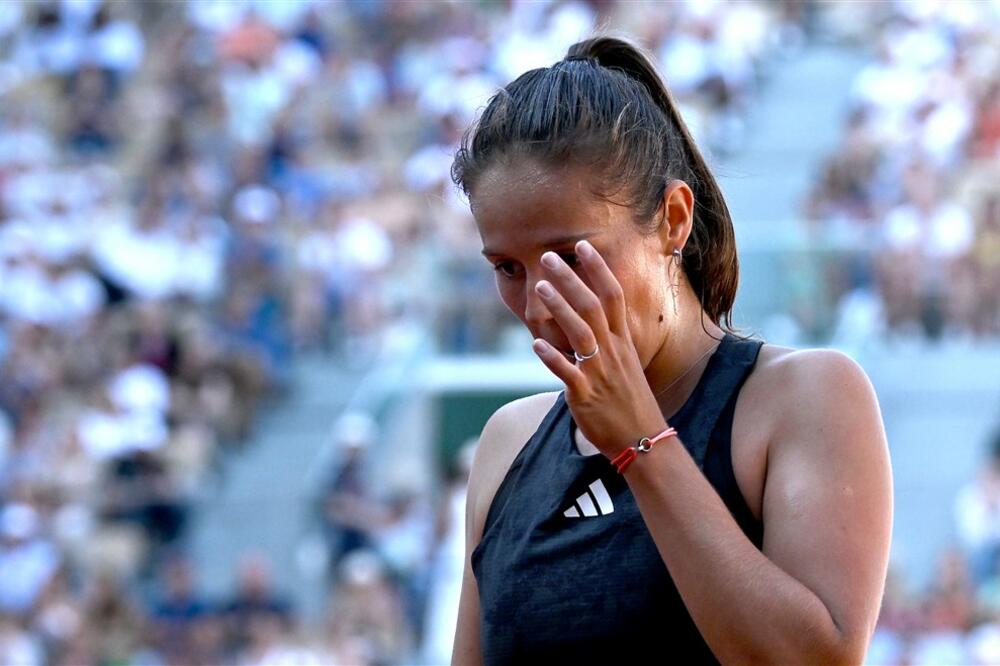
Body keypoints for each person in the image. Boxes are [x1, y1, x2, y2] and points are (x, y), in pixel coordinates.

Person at [449, 35, 892, 664]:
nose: (540, 304)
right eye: (508, 268)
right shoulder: (510, 442)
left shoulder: (802, 397)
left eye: (571, 257)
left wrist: (639, 442)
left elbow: (814, 659)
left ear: (673, 219)